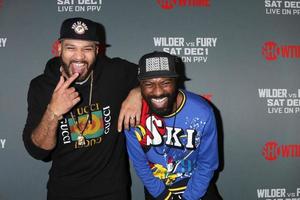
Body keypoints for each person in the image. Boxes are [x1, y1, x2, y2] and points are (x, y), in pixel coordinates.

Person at [23, 17, 141, 200]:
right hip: (64, 192)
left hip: (112, 192)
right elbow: (38, 151)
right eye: (71, 48)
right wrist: (53, 112)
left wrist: (138, 92)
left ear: (97, 50)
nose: (79, 57)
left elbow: (155, 79)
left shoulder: (115, 72)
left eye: (87, 49)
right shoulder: (42, 86)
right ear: (59, 48)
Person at [125, 51, 220, 200]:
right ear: (140, 86)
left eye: (165, 83)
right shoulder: (132, 114)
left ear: (176, 82)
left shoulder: (201, 112)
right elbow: (140, 163)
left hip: (197, 187)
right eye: (149, 84)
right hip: (157, 188)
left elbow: (207, 164)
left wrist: (189, 197)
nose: (157, 92)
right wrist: (163, 195)